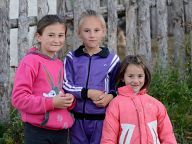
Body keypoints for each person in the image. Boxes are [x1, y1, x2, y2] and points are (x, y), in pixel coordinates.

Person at [12, 15, 75, 144]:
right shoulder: (30, 61)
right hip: (38, 131)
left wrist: (70, 101)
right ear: (39, 36)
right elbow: (19, 98)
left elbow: (61, 92)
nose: (56, 40)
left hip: (61, 131)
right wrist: (51, 103)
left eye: (60, 35)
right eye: (51, 35)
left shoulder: (60, 64)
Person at [63, 9, 120, 144]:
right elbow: (66, 85)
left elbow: (118, 87)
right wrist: (87, 93)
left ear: (103, 32)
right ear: (79, 33)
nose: (92, 35)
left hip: (102, 120)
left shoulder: (112, 60)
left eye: (96, 30)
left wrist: (110, 96)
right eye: (87, 31)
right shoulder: (72, 58)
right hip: (77, 121)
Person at [101, 55, 177, 144]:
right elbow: (108, 138)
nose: (136, 81)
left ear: (145, 76)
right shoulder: (115, 104)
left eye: (140, 76)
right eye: (130, 76)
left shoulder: (156, 104)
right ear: (122, 77)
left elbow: (167, 135)